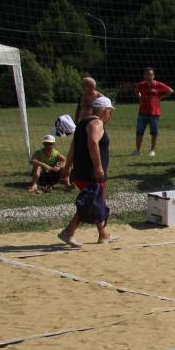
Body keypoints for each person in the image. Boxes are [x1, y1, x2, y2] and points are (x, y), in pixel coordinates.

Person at [58, 96, 117, 247]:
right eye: (110, 111)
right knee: (91, 204)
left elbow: (72, 148)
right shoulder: (96, 123)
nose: (110, 115)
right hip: (91, 173)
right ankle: (68, 232)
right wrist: (98, 167)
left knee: (97, 202)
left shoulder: (82, 123)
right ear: (105, 111)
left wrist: (66, 170)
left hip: (81, 172)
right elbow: (92, 142)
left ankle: (103, 235)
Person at [133, 67, 173, 157]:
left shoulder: (158, 84)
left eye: (150, 74)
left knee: (154, 133)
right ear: (144, 75)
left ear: (153, 76)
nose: (148, 76)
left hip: (154, 113)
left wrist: (161, 97)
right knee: (139, 132)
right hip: (142, 112)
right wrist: (139, 96)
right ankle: (138, 151)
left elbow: (170, 91)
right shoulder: (141, 85)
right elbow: (136, 91)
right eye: (146, 74)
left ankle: (152, 150)